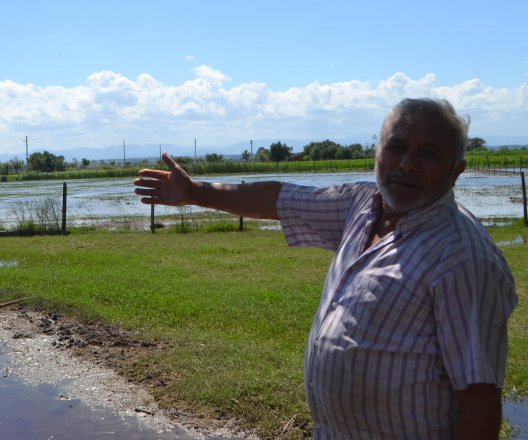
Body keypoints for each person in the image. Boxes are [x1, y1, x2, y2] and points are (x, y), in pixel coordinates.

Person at [133, 98, 517, 439]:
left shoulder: (463, 258)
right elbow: (278, 198)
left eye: (428, 153)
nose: (406, 164)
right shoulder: (361, 206)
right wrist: (195, 192)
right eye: (396, 147)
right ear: (377, 152)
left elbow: (479, 402)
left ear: (457, 169)